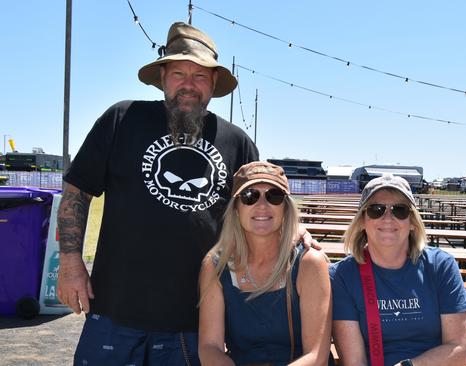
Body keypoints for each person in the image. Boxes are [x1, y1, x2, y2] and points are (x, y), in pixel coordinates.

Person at [56, 22, 313, 365]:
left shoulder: (236, 142)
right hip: (115, 312)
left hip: (194, 322)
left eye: (200, 76)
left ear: (214, 84)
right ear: (162, 77)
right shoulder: (123, 119)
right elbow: (77, 192)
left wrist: (295, 229)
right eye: (179, 73)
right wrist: (71, 263)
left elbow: (263, 200)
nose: (188, 85)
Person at [329, 174, 466, 366]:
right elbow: (355, 361)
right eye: (376, 210)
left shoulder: (441, 266)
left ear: (412, 222)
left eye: (400, 210)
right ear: (362, 220)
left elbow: (460, 349)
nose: (388, 218)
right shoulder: (342, 276)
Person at [198, 161, 332, 365]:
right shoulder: (216, 266)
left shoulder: (308, 263)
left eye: (274, 196)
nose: (262, 205)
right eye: (249, 196)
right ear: (236, 208)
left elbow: (316, 356)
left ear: (286, 208)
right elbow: (210, 347)